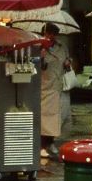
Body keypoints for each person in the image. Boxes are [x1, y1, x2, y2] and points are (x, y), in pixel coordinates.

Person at [39, 23, 72, 158]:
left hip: (60, 86)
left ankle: (50, 141)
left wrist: (68, 63)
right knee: (46, 118)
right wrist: (41, 57)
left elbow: (68, 60)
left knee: (60, 116)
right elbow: (38, 66)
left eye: (53, 33)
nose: (51, 36)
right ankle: (44, 144)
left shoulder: (61, 46)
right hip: (45, 86)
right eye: (48, 33)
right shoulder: (38, 46)